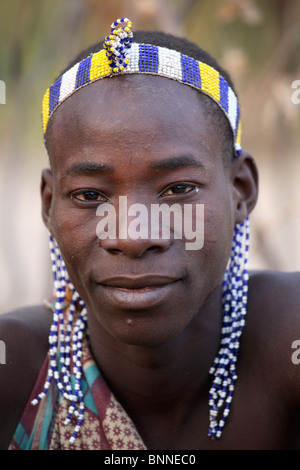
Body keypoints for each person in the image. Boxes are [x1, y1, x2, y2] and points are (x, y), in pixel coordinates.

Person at [1, 17, 300, 451]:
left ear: (241, 189)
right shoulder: (14, 372)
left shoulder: (288, 342)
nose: (133, 236)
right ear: (49, 204)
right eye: (88, 195)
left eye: (178, 189)